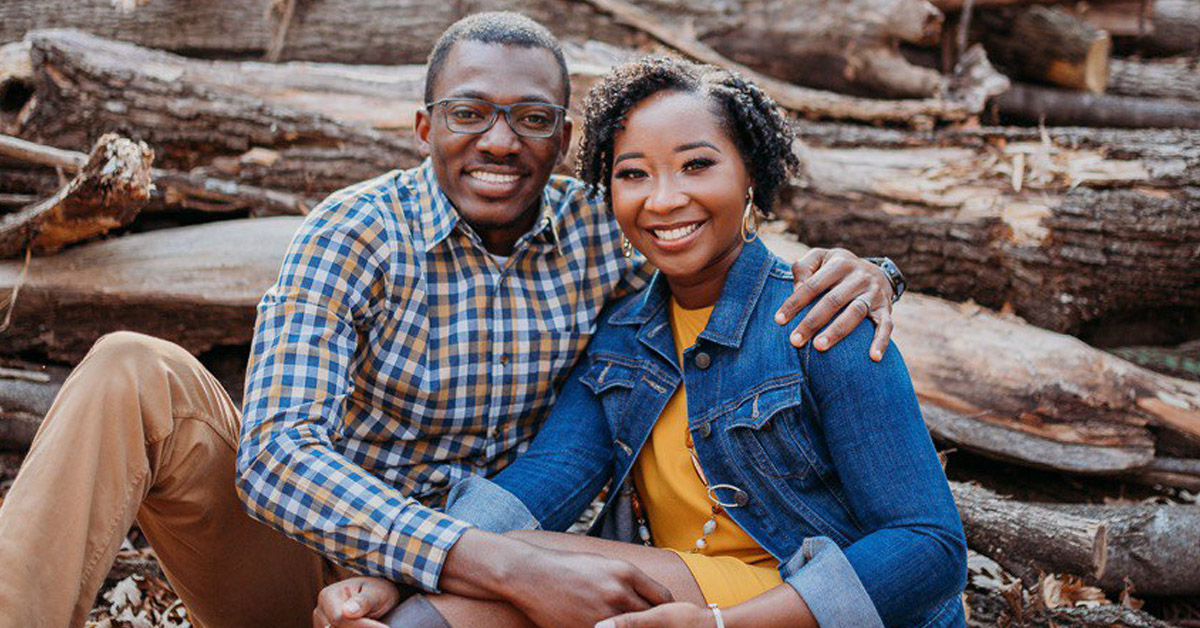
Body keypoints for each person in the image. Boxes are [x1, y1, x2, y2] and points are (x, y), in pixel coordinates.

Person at [0, 14, 901, 628]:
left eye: (530, 119)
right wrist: (476, 558)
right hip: (306, 555)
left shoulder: (609, 223)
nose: (499, 141)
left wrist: (871, 270)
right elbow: (275, 460)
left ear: (564, 138)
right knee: (130, 368)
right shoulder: (356, 232)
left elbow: (722, 237)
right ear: (424, 125)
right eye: (469, 113)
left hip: (486, 579)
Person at [319, 56, 965, 628]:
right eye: (634, 174)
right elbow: (541, 484)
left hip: (799, 609)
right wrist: (397, 577)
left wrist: (720, 627)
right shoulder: (624, 337)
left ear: (750, 177)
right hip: (674, 593)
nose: (664, 199)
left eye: (696, 165)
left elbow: (928, 544)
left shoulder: (820, 315)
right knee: (446, 608)